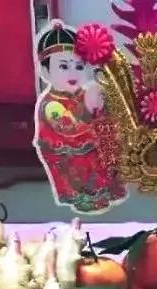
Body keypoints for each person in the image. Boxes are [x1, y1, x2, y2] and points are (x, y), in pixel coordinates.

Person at [34, 20, 127, 214]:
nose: (73, 73)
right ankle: (84, 196)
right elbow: (71, 128)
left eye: (79, 66)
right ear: (45, 71)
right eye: (63, 66)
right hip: (70, 162)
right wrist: (92, 113)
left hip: (91, 157)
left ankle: (105, 190)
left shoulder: (82, 94)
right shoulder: (52, 104)